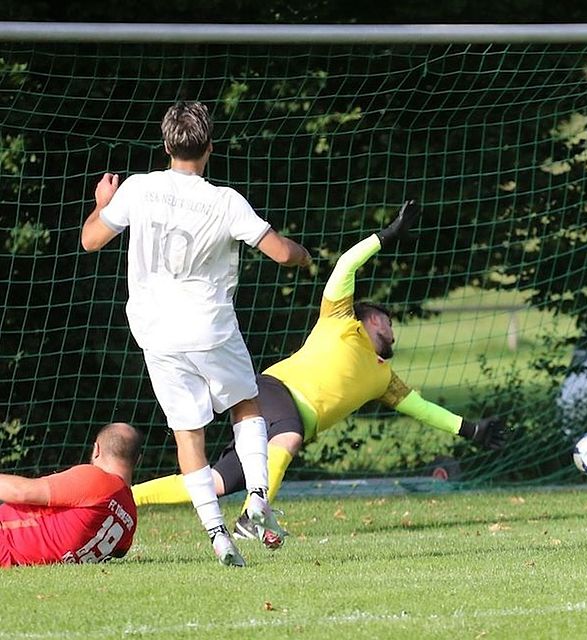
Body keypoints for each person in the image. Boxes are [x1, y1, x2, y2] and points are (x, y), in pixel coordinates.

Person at [132, 200, 508, 538]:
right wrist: (387, 235)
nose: (394, 332)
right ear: (374, 319)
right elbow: (346, 264)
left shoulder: (384, 380)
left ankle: (127, 497)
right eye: (390, 324)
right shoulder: (340, 319)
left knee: (214, 483)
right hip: (273, 393)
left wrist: (471, 430)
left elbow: (423, 409)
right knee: (291, 437)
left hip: (282, 413)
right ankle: (251, 518)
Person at [80, 101, 312, 567]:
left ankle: (217, 534)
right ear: (209, 148)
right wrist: (304, 256)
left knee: (188, 433)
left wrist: (103, 204)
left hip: (157, 332)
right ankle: (259, 500)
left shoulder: (140, 189)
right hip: (210, 326)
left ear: (166, 145)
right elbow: (283, 254)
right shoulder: (225, 200)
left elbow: (90, 240)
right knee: (246, 405)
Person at [0, 422, 142, 567]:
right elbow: (120, 552)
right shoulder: (131, 516)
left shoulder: (96, 480)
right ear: (138, 460)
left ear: (96, 450)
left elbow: (21, 492)